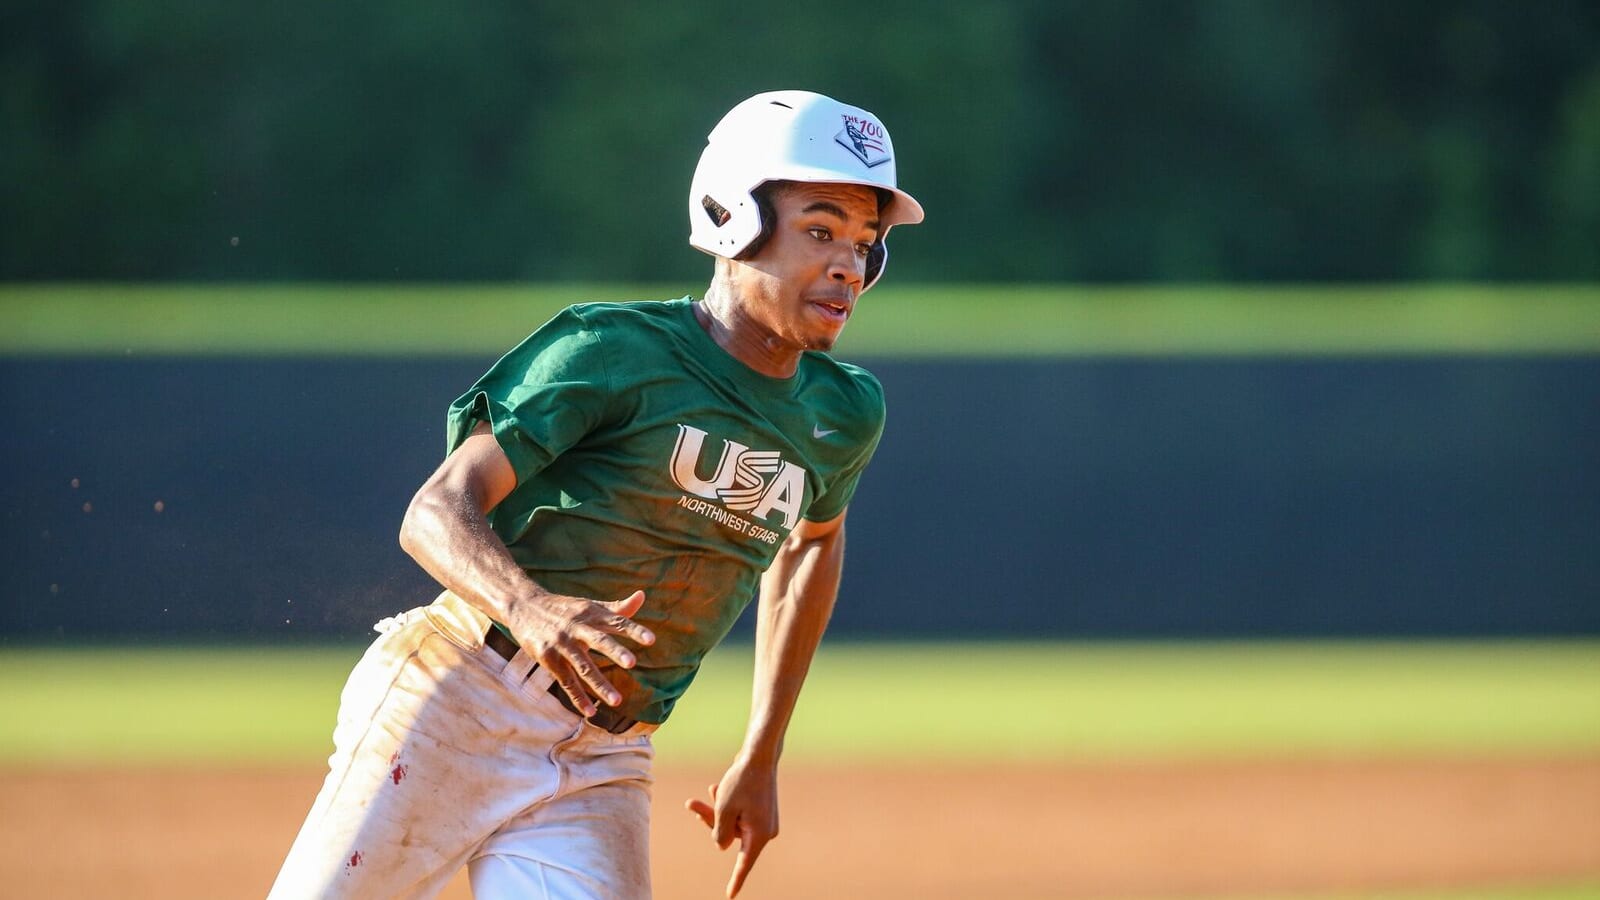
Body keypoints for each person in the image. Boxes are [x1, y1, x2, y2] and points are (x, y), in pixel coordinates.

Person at [267, 89, 923, 900]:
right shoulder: (611, 350)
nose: (847, 266)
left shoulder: (843, 409)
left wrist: (762, 749)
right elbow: (435, 510)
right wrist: (531, 606)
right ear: (732, 219)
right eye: (820, 230)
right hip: (460, 700)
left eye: (866, 244)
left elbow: (813, 542)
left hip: (607, 753)